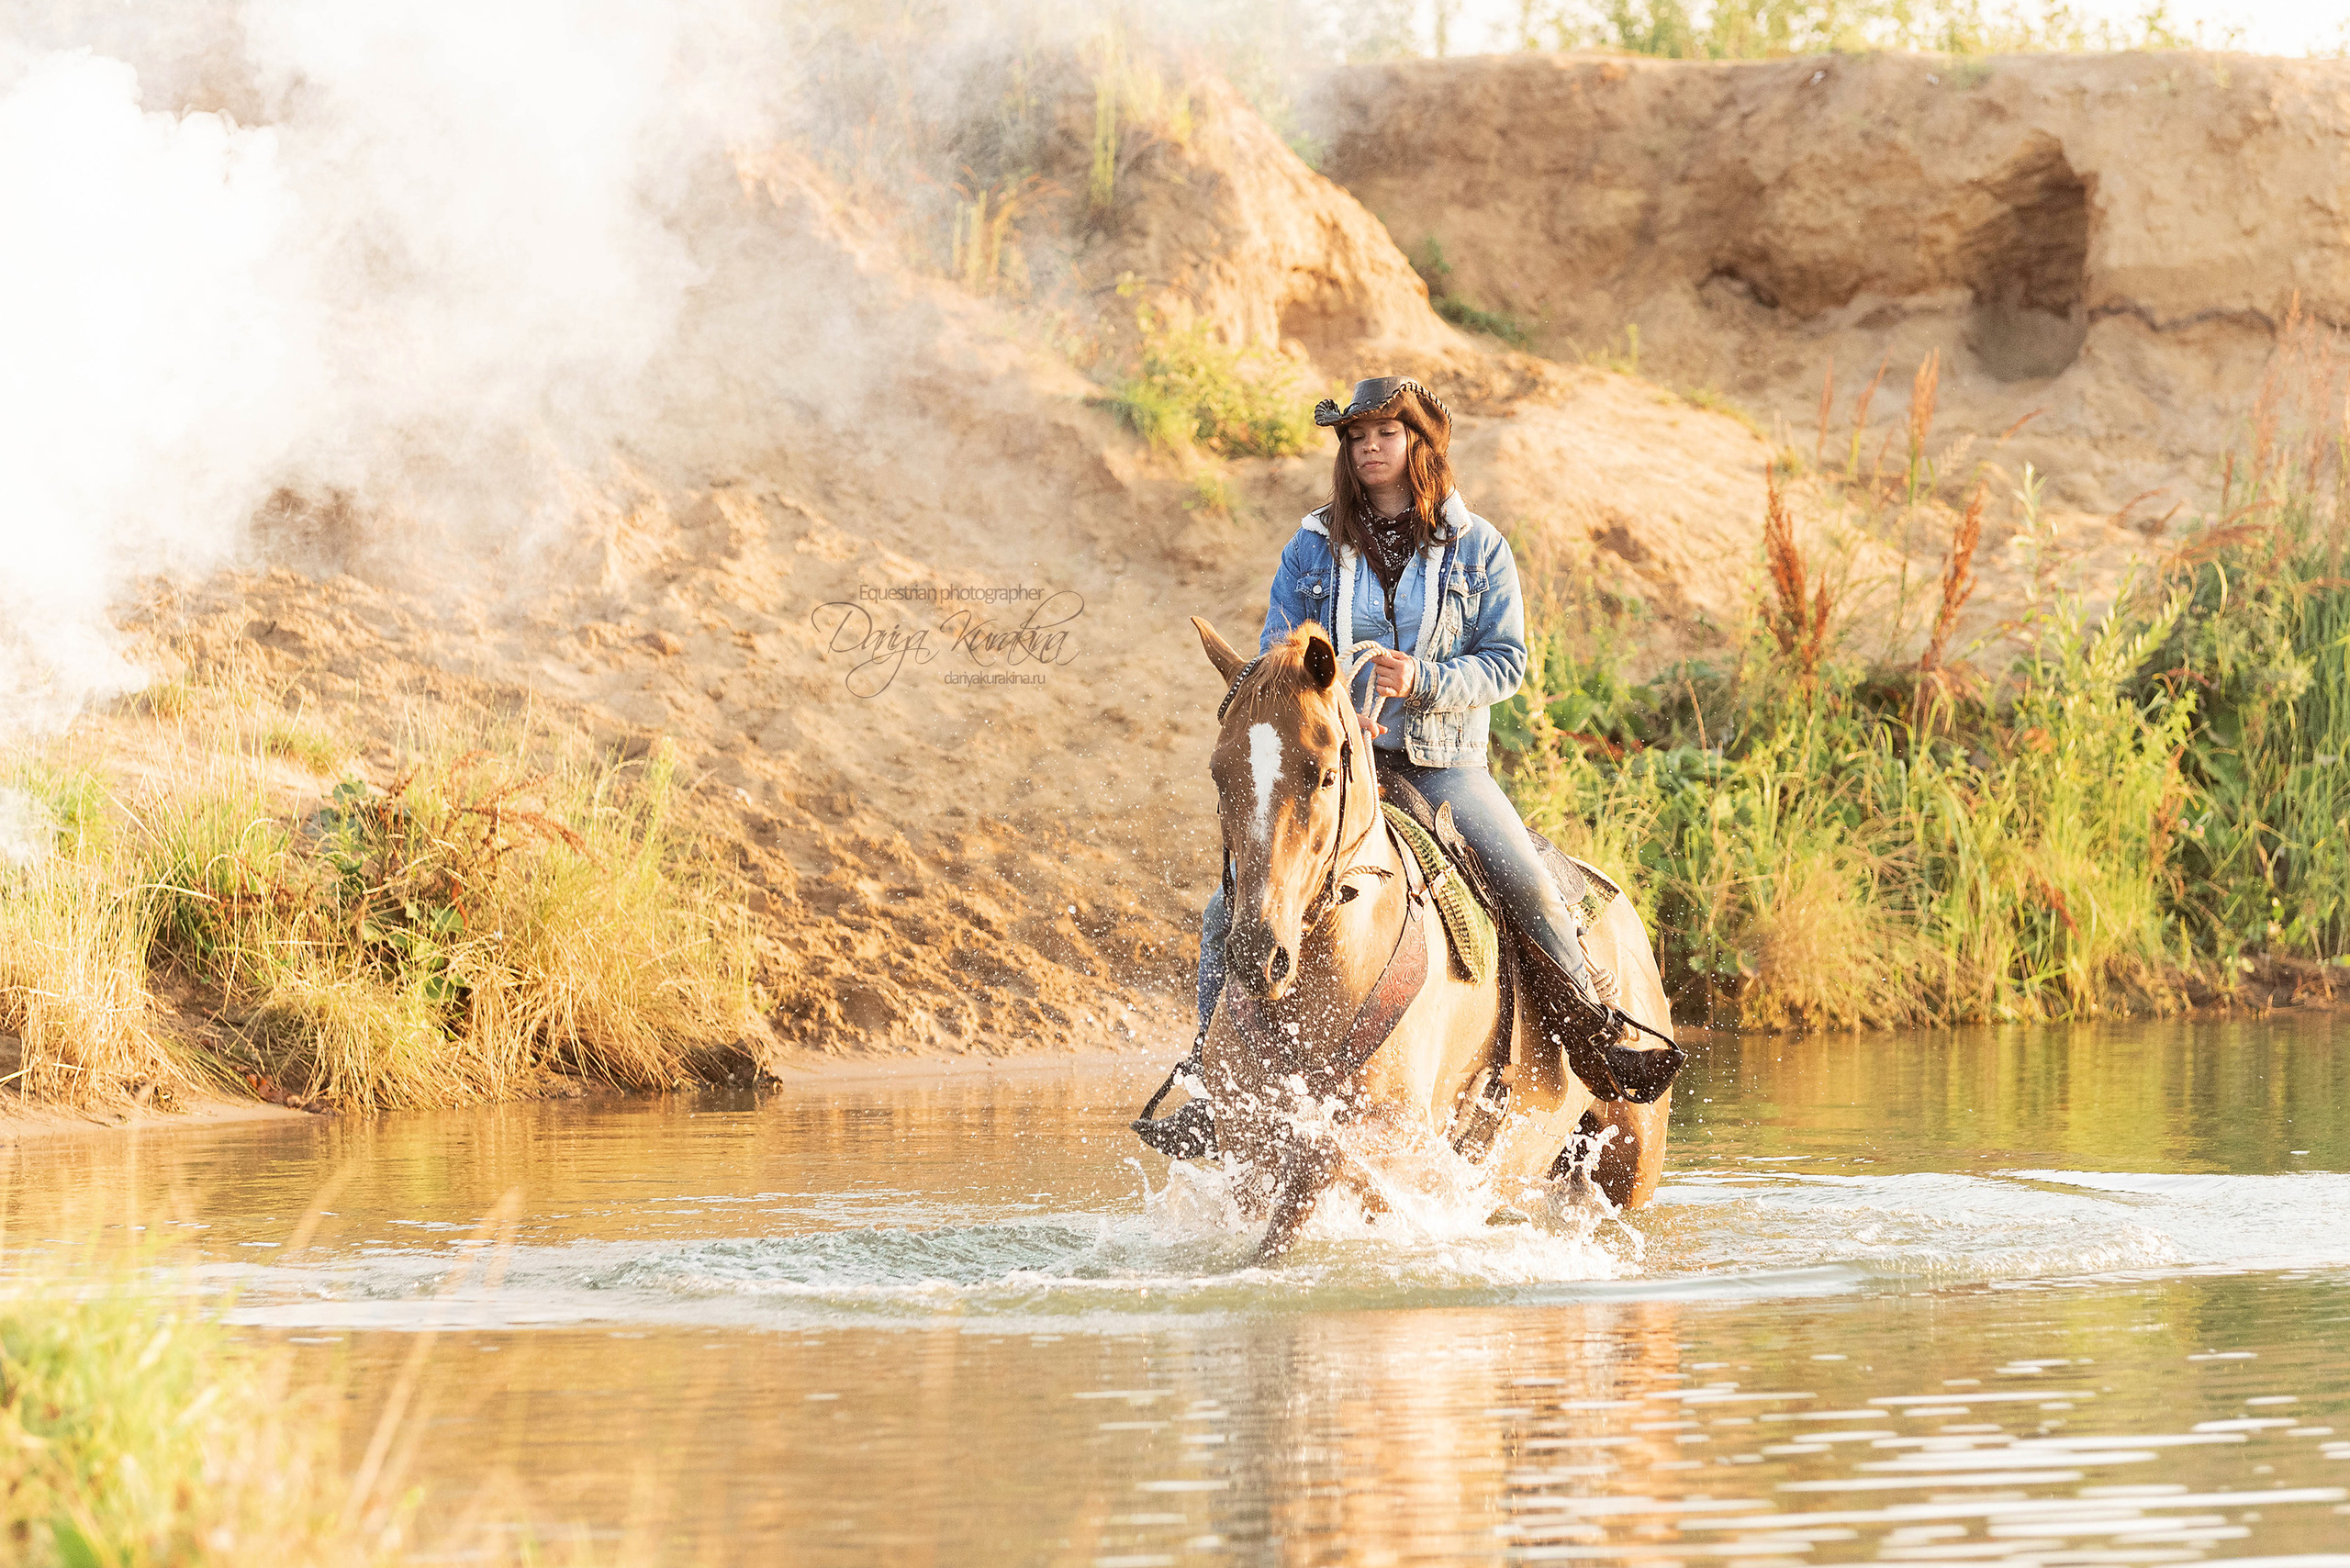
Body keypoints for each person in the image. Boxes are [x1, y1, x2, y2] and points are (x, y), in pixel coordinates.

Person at [1194, 375, 1611, 1047]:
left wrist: (1425, 678)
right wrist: (1328, 718)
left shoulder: (1481, 549)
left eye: (1386, 433)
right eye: (1356, 438)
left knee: (1526, 884)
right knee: (1225, 911)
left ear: (1420, 444)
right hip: (1329, 769)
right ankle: (1205, 1073)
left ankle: (1593, 1034)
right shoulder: (1310, 548)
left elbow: (1506, 662)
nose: (1369, 448)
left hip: (1446, 765)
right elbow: (1280, 663)